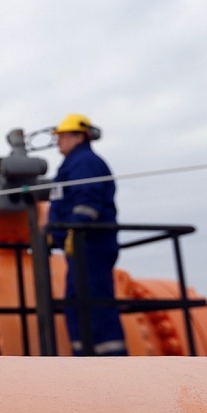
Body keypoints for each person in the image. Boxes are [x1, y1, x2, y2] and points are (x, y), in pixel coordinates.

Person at [48, 114, 127, 356]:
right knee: (79, 303)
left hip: (90, 244)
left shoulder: (84, 162)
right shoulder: (75, 162)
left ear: (79, 136)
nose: (58, 142)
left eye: (62, 136)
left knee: (93, 304)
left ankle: (108, 364)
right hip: (82, 247)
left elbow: (86, 200)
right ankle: (87, 362)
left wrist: (75, 228)